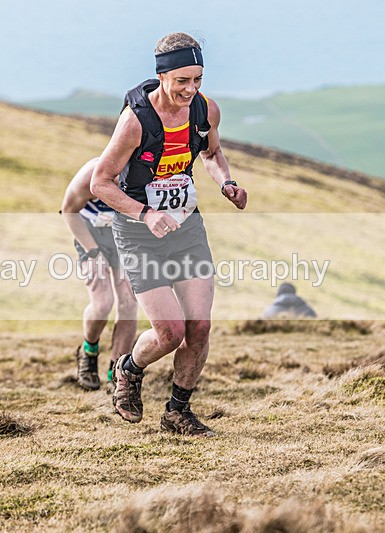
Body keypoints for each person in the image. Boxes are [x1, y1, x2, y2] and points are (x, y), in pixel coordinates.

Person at [91, 32, 248, 436]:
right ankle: (128, 369)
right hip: (139, 232)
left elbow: (211, 154)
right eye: (182, 80)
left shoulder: (205, 110)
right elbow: (101, 183)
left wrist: (226, 183)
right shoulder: (135, 121)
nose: (190, 89)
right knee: (169, 331)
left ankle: (178, 411)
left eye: (197, 79)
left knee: (199, 326)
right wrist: (146, 214)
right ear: (161, 76)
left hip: (187, 226)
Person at [60, 158, 138, 391]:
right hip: (91, 234)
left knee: (128, 301)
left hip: (126, 234)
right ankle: (89, 351)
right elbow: (68, 211)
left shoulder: (144, 173)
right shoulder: (90, 174)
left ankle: (117, 372)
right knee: (103, 303)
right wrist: (93, 252)